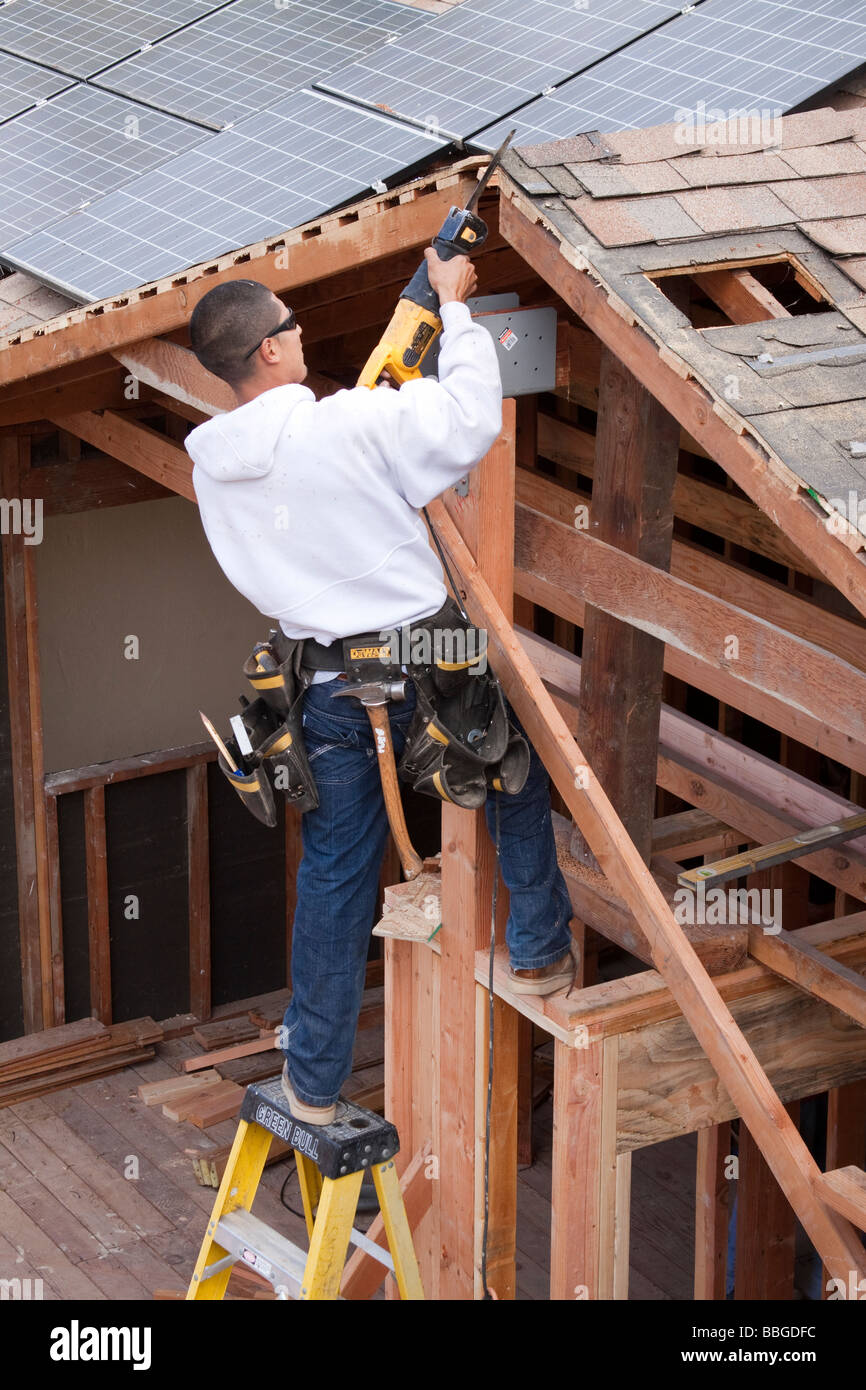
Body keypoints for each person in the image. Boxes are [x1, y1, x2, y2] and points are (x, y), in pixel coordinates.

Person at [185, 252, 576, 1125]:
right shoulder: (352, 423)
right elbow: (469, 420)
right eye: (290, 326)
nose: (300, 334)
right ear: (273, 353)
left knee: (334, 873)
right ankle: (542, 950)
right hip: (424, 644)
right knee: (509, 771)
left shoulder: (213, 466)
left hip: (324, 674)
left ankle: (312, 1085)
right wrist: (454, 310)